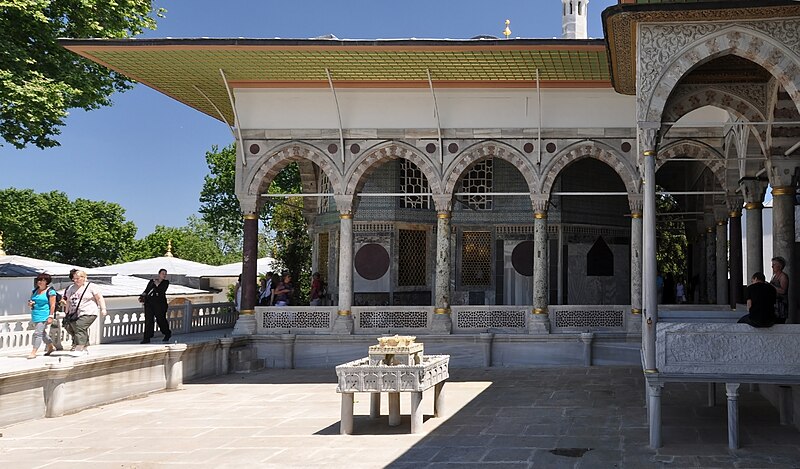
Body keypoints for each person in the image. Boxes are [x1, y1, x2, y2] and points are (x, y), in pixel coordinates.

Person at [64, 270, 107, 356]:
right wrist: (67, 312)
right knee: (70, 327)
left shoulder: (91, 287)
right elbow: (68, 301)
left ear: (84, 278)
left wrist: (103, 309)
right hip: (75, 312)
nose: (76, 280)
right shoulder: (71, 288)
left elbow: (99, 298)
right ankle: (85, 347)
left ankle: (79, 347)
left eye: (78, 278)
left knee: (79, 326)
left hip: (89, 312)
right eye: (74, 278)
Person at [27, 273, 57, 358]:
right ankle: (50, 346)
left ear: (46, 281)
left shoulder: (50, 291)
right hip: (35, 314)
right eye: (38, 280)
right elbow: (32, 301)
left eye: (42, 280)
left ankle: (34, 352)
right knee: (42, 333)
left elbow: (52, 305)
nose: (39, 282)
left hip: (44, 314)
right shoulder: (35, 291)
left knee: (38, 333)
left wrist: (51, 316)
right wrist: (31, 304)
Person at [138, 269, 171, 343]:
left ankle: (167, 333)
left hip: (160, 304)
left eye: (165, 274)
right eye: (163, 273)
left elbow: (161, 291)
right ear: (159, 274)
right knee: (149, 320)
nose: (164, 275)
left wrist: (157, 285)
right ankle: (147, 338)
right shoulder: (152, 281)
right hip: (149, 303)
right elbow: (147, 290)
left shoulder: (165, 282)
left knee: (161, 320)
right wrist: (142, 296)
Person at [770, 256, 789, 324]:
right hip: (774, 303)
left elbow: (783, 290)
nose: (772, 266)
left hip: (781, 305)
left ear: (780, 266)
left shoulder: (783, 276)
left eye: (774, 264)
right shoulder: (774, 276)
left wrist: (771, 286)